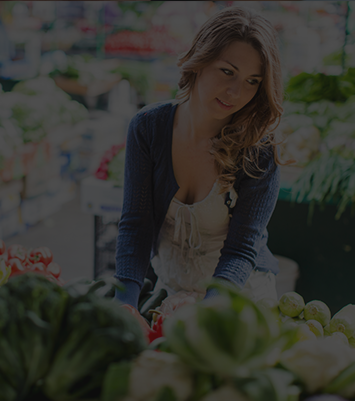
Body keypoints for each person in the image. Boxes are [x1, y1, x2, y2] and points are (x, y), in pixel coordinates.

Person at [114, 6, 288, 308]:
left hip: (238, 298)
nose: (235, 91)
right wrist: (124, 303)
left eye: (252, 81)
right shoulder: (148, 128)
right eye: (227, 71)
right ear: (200, 60)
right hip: (171, 291)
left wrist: (209, 311)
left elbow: (241, 250)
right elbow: (135, 225)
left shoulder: (259, 151)